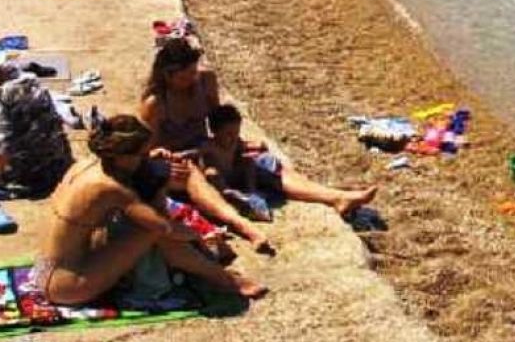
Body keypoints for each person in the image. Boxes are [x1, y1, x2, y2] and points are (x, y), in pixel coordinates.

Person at [34, 114, 266, 305]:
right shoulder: (110, 189)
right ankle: (225, 280)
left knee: (135, 226)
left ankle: (214, 274)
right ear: (122, 155)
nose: (145, 159)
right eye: (141, 155)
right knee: (153, 232)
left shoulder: (86, 166)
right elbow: (164, 227)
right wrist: (200, 235)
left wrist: (151, 159)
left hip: (45, 269)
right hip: (67, 285)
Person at [138, 40, 274, 253]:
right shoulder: (155, 104)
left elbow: (219, 121)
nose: (192, 79)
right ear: (168, 75)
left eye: (194, 72)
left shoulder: (205, 81)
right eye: (185, 76)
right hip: (176, 160)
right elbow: (144, 150)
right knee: (192, 172)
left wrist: (235, 142)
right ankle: (243, 225)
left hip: (204, 148)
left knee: (262, 160)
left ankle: (331, 196)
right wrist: (161, 156)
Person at [201, 104, 376, 219]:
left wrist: (256, 147)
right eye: (229, 134)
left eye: (236, 133)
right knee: (215, 174)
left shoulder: (234, 143)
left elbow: (243, 148)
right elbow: (198, 154)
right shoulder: (210, 146)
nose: (233, 138)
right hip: (225, 179)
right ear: (216, 132)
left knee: (260, 164)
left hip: (239, 174)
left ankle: (337, 196)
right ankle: (337, 197)